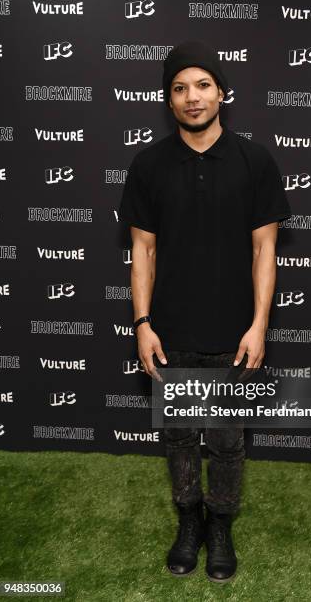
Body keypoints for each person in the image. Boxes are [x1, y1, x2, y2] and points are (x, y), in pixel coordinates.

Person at [118, 40, 292, 583]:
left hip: (233, 331)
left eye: (202, 85)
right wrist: (143, 324)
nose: (192, 97)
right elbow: (141, 251)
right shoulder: (148, 165)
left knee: (224, 439)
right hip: (169, 331)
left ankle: (220, 526)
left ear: (220, 92)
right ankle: (188, 521)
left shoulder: (255, 160)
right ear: (169, 101)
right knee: (177, 436)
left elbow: (265, 249)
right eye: (179, 88)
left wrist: (259, 324)